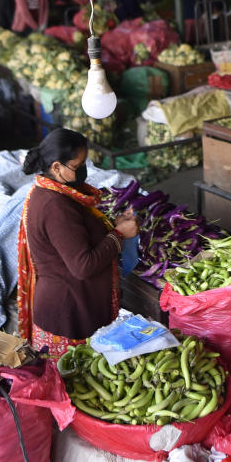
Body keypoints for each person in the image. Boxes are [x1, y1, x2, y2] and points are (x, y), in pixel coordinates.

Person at [17, 128, 139, 354]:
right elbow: (83, 265)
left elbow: (75, 235)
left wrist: (112, 224)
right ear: (56, 167)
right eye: (77, 165)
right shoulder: (55, 206)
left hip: (72, 303)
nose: (83, 170)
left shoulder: (50, 190)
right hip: (68, 314)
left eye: (84, 163)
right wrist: (119, 235)